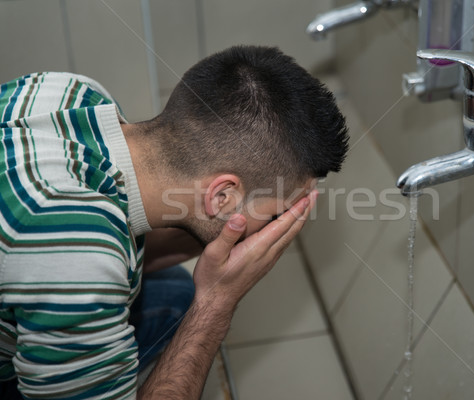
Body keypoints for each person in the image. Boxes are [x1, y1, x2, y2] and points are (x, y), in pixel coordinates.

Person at [0, 45, 349, 399]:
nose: (277, 224)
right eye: (275, 213)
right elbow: (80, 259)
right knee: (191, 306)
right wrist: (216, 302)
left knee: (175, 293)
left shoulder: (67, 93)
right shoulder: (77, 254)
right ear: (221, 198)